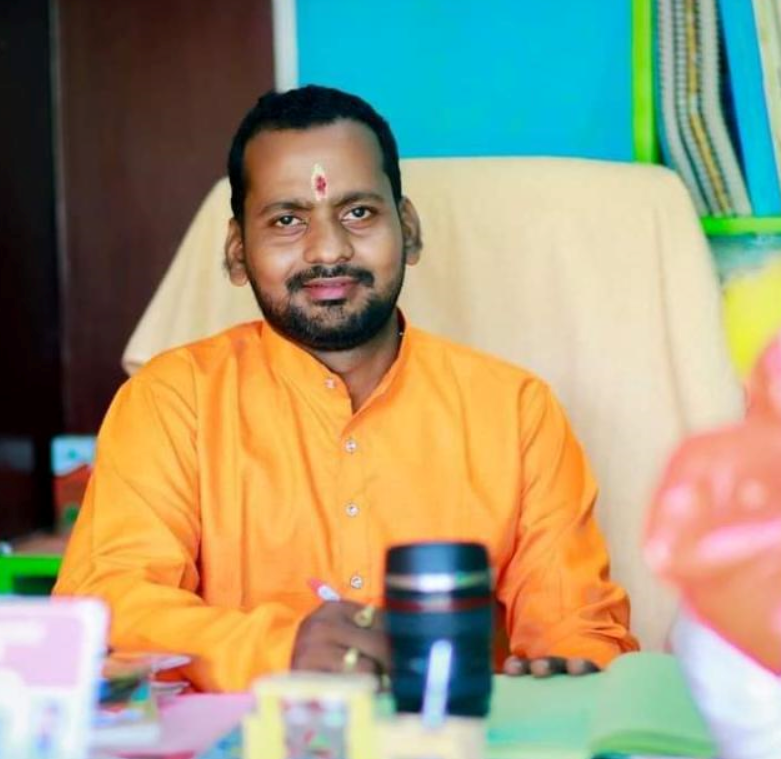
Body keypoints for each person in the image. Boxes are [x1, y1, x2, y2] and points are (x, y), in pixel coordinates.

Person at [54, 85, 637, 692]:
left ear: (408, 229)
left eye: (358, 213)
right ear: (237, 252)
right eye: (287, 220)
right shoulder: (173, 402)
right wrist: (281, 650)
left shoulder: (514, 411)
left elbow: (578, 631)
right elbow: (106, 607)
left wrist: (572, 673)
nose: (329, 250)